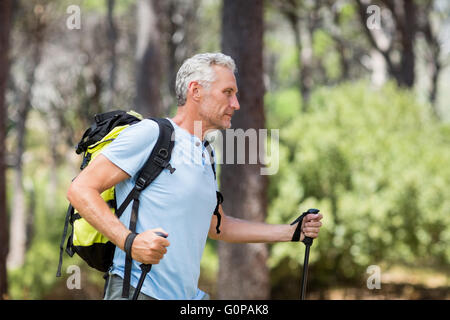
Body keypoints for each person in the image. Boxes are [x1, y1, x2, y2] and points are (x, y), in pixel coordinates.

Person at [66, 52, 323, 300]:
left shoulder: (206, 155)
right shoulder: (151, 134)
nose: (236, 104)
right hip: (137, 290)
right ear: (196, 91)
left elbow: (217, 226)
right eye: (228, 93)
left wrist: (290, 232)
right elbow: (80, 189)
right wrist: (130, 242)